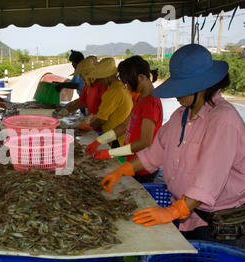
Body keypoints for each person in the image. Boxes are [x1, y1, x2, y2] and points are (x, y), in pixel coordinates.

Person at [101, 44, 244, 248]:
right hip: (190, 214)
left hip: (216, 224)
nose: (176, 95)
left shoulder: (222, 120)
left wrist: (172, 211)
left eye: (181, 88)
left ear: (200, 86)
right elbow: (154, 152)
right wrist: (123, 170)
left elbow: (209, 180)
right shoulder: (181, 115)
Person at [86, 55, 163, 183]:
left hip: (144, 168)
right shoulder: (141, 99)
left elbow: (145, 142)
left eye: (128, 83)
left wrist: (111, 153)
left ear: (141, 77)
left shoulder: (151, 103)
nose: (127, 87)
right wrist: (100, 140)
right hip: (132, 162)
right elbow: (124, 125)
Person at [80, 57, 133, 146]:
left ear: (107, 77)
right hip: (122, 135)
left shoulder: (112, 92)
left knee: (113, 158)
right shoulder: (120, 87)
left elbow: (101, 120)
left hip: (116, 138)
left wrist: (88, 126)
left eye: (100, 78)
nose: (100, 81)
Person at [57, 57, 108, 124]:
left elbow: (106, 106)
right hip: (93, 119)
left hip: (102, 120)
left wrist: (94, 116)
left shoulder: (102, 84)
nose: (81, 77)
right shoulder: (88, 84)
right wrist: (67, 109)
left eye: (82, 74)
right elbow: (82, 101)